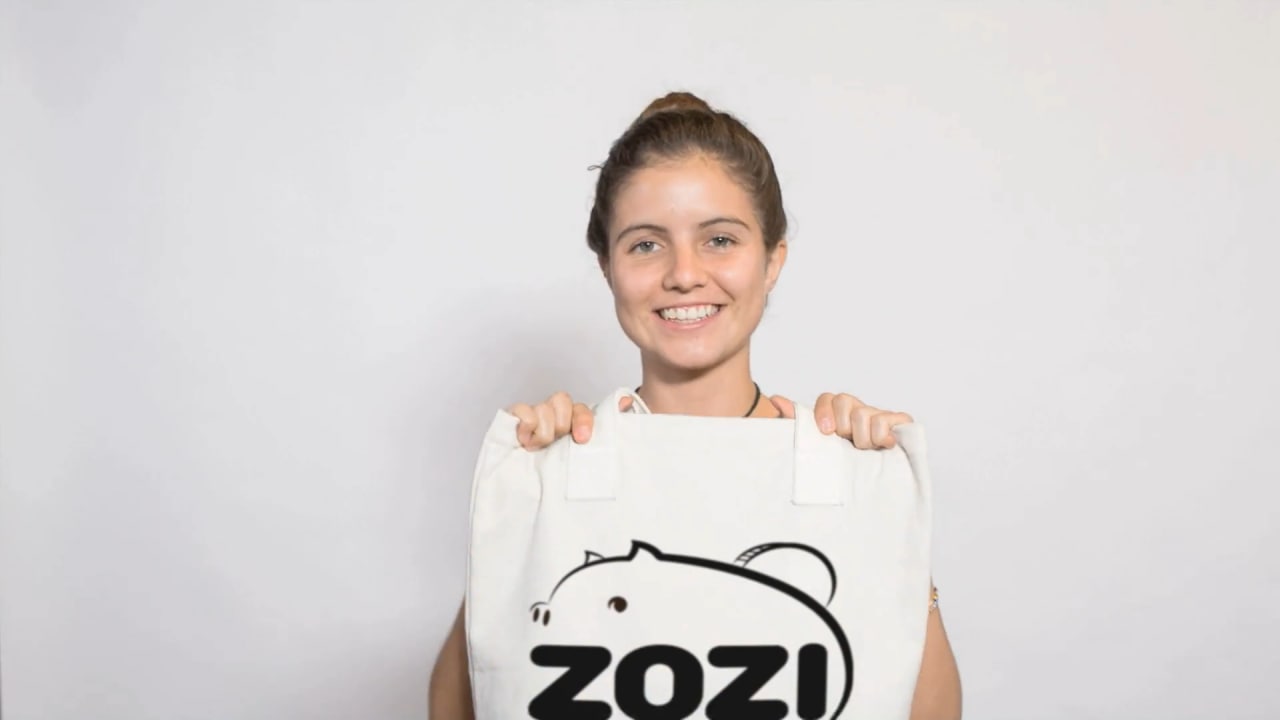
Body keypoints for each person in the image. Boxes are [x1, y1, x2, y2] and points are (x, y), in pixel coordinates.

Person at [429, 91, 961, 720]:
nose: (684, 274)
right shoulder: (551, 469)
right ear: (607, 268)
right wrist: (521, 509)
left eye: (719, 239)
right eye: (646, 245)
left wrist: (887, 520)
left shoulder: (849, 468)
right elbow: (466, 705)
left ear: (772, 261)